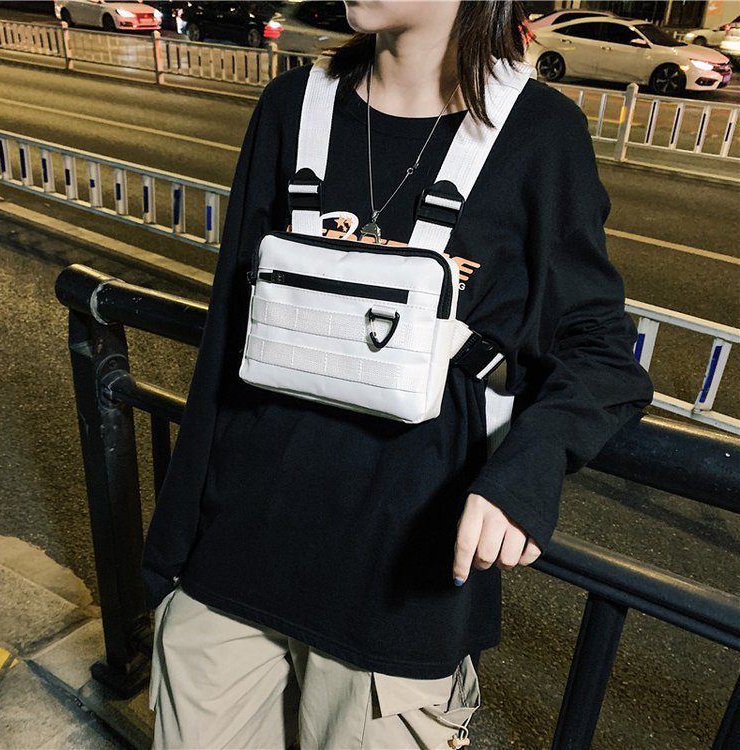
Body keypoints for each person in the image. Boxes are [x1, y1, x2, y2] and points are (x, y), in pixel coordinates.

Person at [143, 1, 655, 748]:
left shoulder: (539, 133)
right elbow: (228, 332)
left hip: (396, 588)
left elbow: (600, 348)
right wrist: (168, 555)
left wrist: (528, 469)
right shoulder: (292, 106)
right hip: (230, 562)